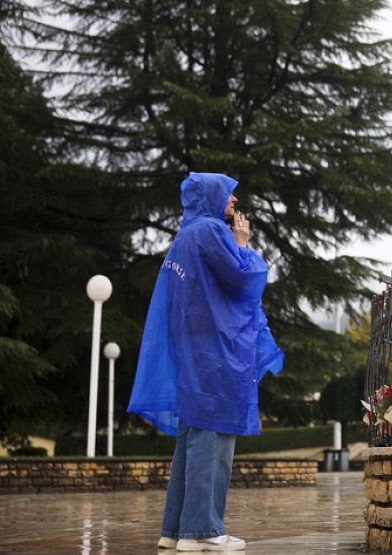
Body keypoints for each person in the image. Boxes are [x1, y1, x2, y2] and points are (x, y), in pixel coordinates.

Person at [128, 172, 284, 552]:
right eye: (229, 195)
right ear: (213, 196)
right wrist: (243, 245)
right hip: (216, 354)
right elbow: (241, 279)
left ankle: (176, 529)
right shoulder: (210, 232)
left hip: (194, 351)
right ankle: (202, 531)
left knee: (192, 437)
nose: (233, 202)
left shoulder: (184, 237)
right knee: (213, 438)